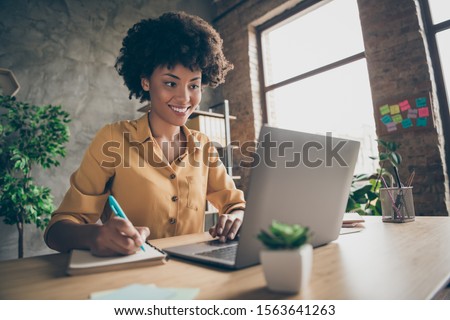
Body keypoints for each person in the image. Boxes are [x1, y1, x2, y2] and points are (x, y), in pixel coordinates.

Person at [44, 11, 245, 256]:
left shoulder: (203, 146)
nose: (184, 98)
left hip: (194, 274)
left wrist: (236, 217)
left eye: (194, 85)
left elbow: (235, 204)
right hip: (133, 277)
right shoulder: (113, 140)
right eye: (170, 83)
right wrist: (96, 235)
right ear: (146, 82)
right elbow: (56, 232)